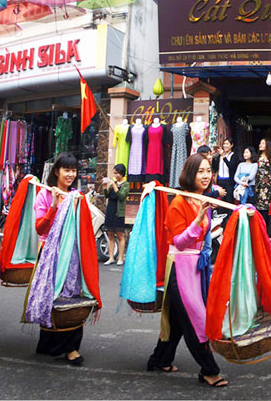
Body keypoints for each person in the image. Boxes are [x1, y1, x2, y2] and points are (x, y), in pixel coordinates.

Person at [147, 154, 227, 387]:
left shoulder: (201, 199)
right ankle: (209, 370)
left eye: (208, 170)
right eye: (200, 171)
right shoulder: (180, 202)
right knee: (195, 320)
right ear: (189, 174)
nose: (205, 175)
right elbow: (179, 242)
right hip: (180, 267)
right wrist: (200, 218)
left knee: (178, 320)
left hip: (197, 268)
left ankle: (159, 359)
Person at [33, 152, 86, 365]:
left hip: (71, 255)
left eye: (73, 170)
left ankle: (71, 347)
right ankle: (49, 342)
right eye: (66, 170)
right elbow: (39, 228)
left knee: (71, 298)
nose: (70, 174)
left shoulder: (76, 197)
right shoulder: (45, 195)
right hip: (49, 253)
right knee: (51, 298)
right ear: (56, 171)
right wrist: (54, 205)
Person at [102, 164, 128, 266]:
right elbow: (106, 195)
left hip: (119, 212)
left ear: (122, 173)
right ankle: (111, 257)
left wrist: (113, 185)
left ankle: (120, 258)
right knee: (110, 235)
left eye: (117, 173)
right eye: (114, 173)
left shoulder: (126, 185)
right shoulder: (114, 183)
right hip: (110, 210)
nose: (115, 175)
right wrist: (105, 187)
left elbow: (121, 196)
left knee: (120, 235)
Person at [256, 139, 271, 236]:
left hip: (266, 185)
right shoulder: (257, 157)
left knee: (264, 206)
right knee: (257, 205)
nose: (260, 145)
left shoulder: (270, 157)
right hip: (257, 184)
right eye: (260, 143)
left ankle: (263, 229)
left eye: (263, 143)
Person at [212, 139, 236, 205]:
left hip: (229, 182)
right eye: (224, 144)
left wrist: (224, 157)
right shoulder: (220, 156)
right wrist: (213, 157)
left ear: (231, 145)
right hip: (220, 180)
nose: (225, 145)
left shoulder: (233, 156)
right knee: (220, 201)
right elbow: (214, 167)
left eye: (227, 144)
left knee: (229, 201)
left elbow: (232, 167)